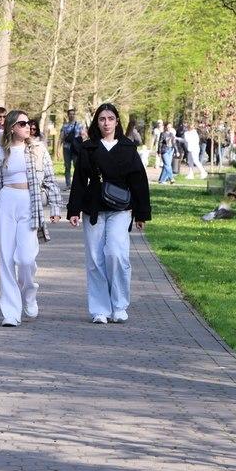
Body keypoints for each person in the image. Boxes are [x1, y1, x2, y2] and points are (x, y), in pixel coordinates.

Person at [68, 103, 152, 325]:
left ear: (117, 121)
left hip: (120, 208)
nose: (106, 123)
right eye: (102, 119)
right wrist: (74, 209)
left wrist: (142, 213)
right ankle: (99, 309)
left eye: (110, 118)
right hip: (93, 207)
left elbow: (139, 182)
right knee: (95, 259)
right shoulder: (89, 148)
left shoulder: (127, 147)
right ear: (97, 122)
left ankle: (120, 305)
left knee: (116, 254)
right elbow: (79, 180)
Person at [0, 109, 62, 327]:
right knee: (6, 259)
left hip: (30, 203)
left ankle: (29, 294)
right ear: (13, 127)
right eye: (23, 124)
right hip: (6, 202)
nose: (28, 127)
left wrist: (55, 206)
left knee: (25, 259)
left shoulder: (38, 150)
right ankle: (11, 312)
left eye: (29, 124)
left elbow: (51, 180)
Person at [59, 108, 85, 187]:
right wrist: (58, 149)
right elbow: (61, 138)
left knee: (76, 166)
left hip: (76, 149)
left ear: (75, 115)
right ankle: (68, 184)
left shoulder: (79, 125)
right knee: (67, 166)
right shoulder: (65, 126)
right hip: (66, 148)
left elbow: (83, 136)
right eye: (70, 114)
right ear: (68, 115)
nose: (72, 115)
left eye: (73, 114)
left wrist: (83, 147)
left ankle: (76, 183)